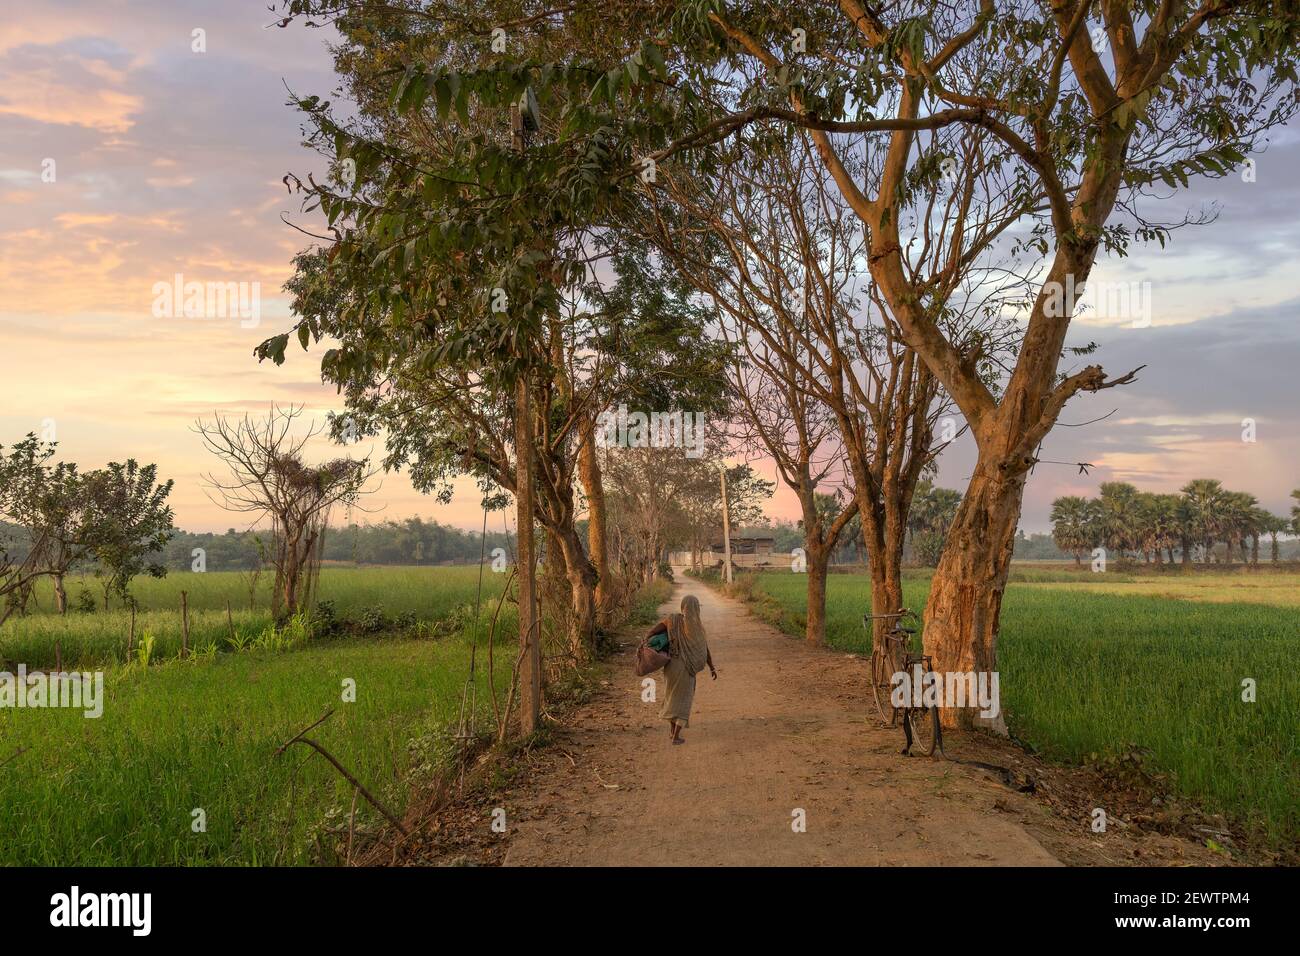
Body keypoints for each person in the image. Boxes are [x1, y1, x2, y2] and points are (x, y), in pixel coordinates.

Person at [644, 594, 717, 744]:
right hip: (687, 668)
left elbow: (653, 631)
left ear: (683, 606)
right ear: (697, 608)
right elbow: (705, 650)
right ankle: (676, 736)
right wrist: (711, 667)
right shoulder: (698, 628)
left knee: (671, 697)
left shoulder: (673, 620)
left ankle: (672, 732)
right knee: (684, 700)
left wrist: (646, 642)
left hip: (672, 667)